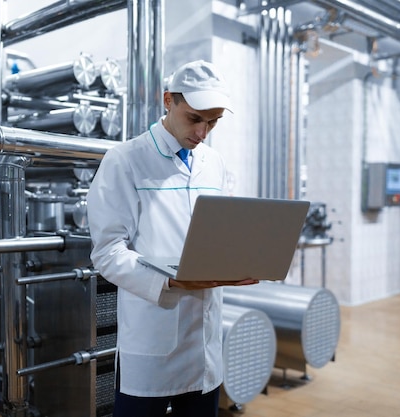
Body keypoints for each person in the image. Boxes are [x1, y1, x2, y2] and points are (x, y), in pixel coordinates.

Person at [86, 60, 259, 417]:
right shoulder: (125, 160)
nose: (203, 132)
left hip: (205, 343)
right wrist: (168, 279)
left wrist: (239, 256)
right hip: (153, 335)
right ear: (168, 101)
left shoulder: (214, 164)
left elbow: (219, 234)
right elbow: (107, 252)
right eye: (195, 118)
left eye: (213, 122)